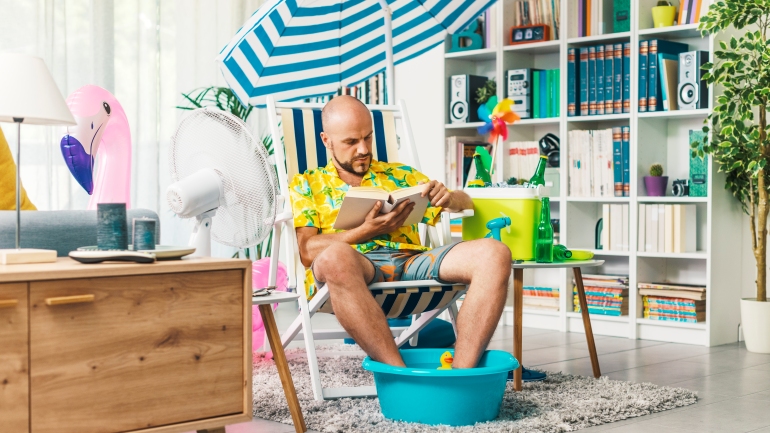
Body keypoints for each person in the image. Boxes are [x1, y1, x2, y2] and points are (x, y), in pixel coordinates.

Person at [288, 95, 509, 370]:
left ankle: (461, 373)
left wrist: (449, 197)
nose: (363, 149)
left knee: (495, 253)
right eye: (351, 142)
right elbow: (308, 251)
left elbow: (467, 200)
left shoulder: (399, 174)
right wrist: (365, 230)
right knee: (335, 258)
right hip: (355, 267)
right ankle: (399, 374)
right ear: (326, 141)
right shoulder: (307, 183)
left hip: (411, 262)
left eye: (368, 138)